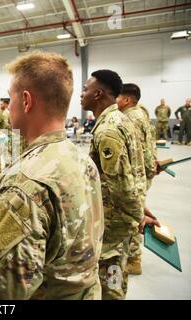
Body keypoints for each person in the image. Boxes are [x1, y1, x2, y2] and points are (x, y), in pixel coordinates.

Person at [0, 51, 104, 300]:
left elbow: (0, 291)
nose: (8, 107)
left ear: (26, 100)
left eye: (10, 99)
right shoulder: (81, 159)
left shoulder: (25, 183)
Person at [81, 69, 158, 299]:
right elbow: (131, 174)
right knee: (116, 274)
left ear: (98, 94)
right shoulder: (121, 120)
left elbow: (120, 184)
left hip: (113, 224)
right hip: (120, 217)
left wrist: (137, 215)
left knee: (110, 281)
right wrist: (138, 206)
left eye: (86, 89)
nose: (81, 94)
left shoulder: (108, 130)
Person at [116, 83, 159, 275]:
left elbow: (135, 151)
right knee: (135, 213)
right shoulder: (141, 113)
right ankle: (133, 257)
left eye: (117, 97)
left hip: (136, 175)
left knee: (132, 216)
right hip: (143, 173)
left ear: (126, 100)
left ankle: (134, 259)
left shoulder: (130, 118)